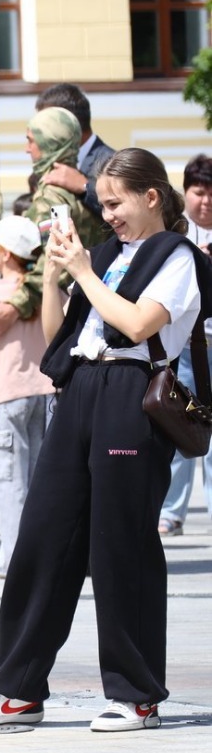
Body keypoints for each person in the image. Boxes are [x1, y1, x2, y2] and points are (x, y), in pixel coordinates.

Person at [0, 147, 212, 733]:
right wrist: (53, 275)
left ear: (152, 196)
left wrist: (83, 274)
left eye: (117, 203)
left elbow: (140, 325)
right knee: (44, 539)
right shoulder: (101, 256)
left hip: (131, 391)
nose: (109, 214)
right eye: (102, 204)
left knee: (121, 547)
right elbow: (57, 337)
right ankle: (17, 690)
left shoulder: (176, 256)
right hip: (79, 392)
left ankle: (136, 694)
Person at [0, 107, 111, 345]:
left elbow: (52, 261)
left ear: (49, 143)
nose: (27, 148)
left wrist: (15, 306)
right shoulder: (80, 187)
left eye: (31, 140)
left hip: (62, 314)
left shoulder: (52, 196)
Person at [0, 215, 55, 580]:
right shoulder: (48, 290)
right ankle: (44, 560)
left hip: (6, 396)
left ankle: (13, 561)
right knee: (40, 481)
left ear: (4, 254)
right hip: (47, 394)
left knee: (9, 483)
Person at [159, 154, 212, 536]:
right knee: (179, 422)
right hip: (189, 345)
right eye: (199, 192)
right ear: (186, 192)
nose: (206, 201)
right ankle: (171, 511)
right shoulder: (176, 234)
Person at [35, 83, 115, 218]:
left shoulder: (111, 163)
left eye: (47, 125)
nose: (41, 134)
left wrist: (85, 187)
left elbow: (128, 210)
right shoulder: (50, 162)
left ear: (69, 124)